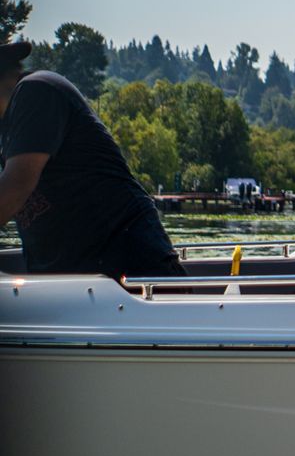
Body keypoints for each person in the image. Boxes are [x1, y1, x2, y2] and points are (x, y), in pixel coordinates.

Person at [0, 41, 185, 279]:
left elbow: (15, 187)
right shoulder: (7, 127)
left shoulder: (36, 90)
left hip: (130, 270)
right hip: (73, 282)